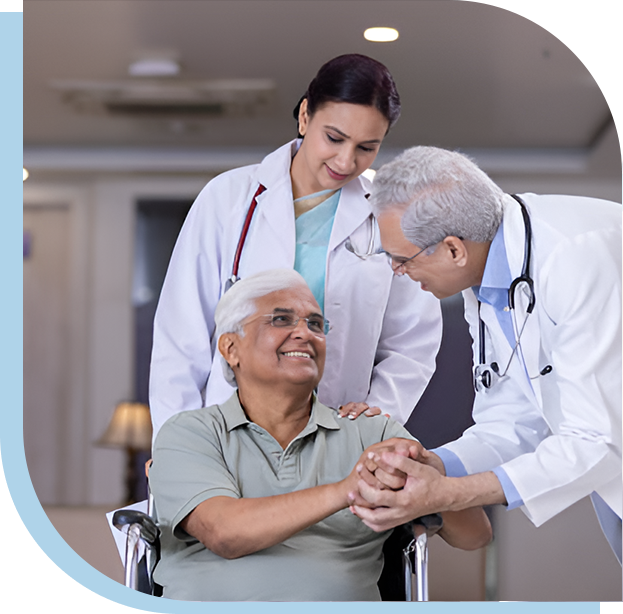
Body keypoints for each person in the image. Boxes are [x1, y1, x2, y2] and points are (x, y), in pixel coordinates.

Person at [348, 146, 622, 564]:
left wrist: (449, 494)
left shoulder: (576, 258)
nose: (396, 272)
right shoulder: (490, 280)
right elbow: (513, 420)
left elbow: (596, 440)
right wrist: (434, 465)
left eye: (401, 260)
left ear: (454, 249)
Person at [149, 269, 491, 601]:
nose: (305, 333)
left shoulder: (371, 433)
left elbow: (475, 536)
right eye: (281, 319)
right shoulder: (189, 434)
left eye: (315, 324)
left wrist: (431, 474)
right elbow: (224, 533)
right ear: (230, 348)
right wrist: (348, 490)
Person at [149, 54, 442, 437]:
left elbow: (412, 341)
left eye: (366, 147)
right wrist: (175, 445)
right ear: (305, 116)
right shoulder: (229, 198)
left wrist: (378, 411)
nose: (345, 160)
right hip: (228, 434)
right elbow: (181, 334)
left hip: (338, 434)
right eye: (334, 138)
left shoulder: (387, 218)